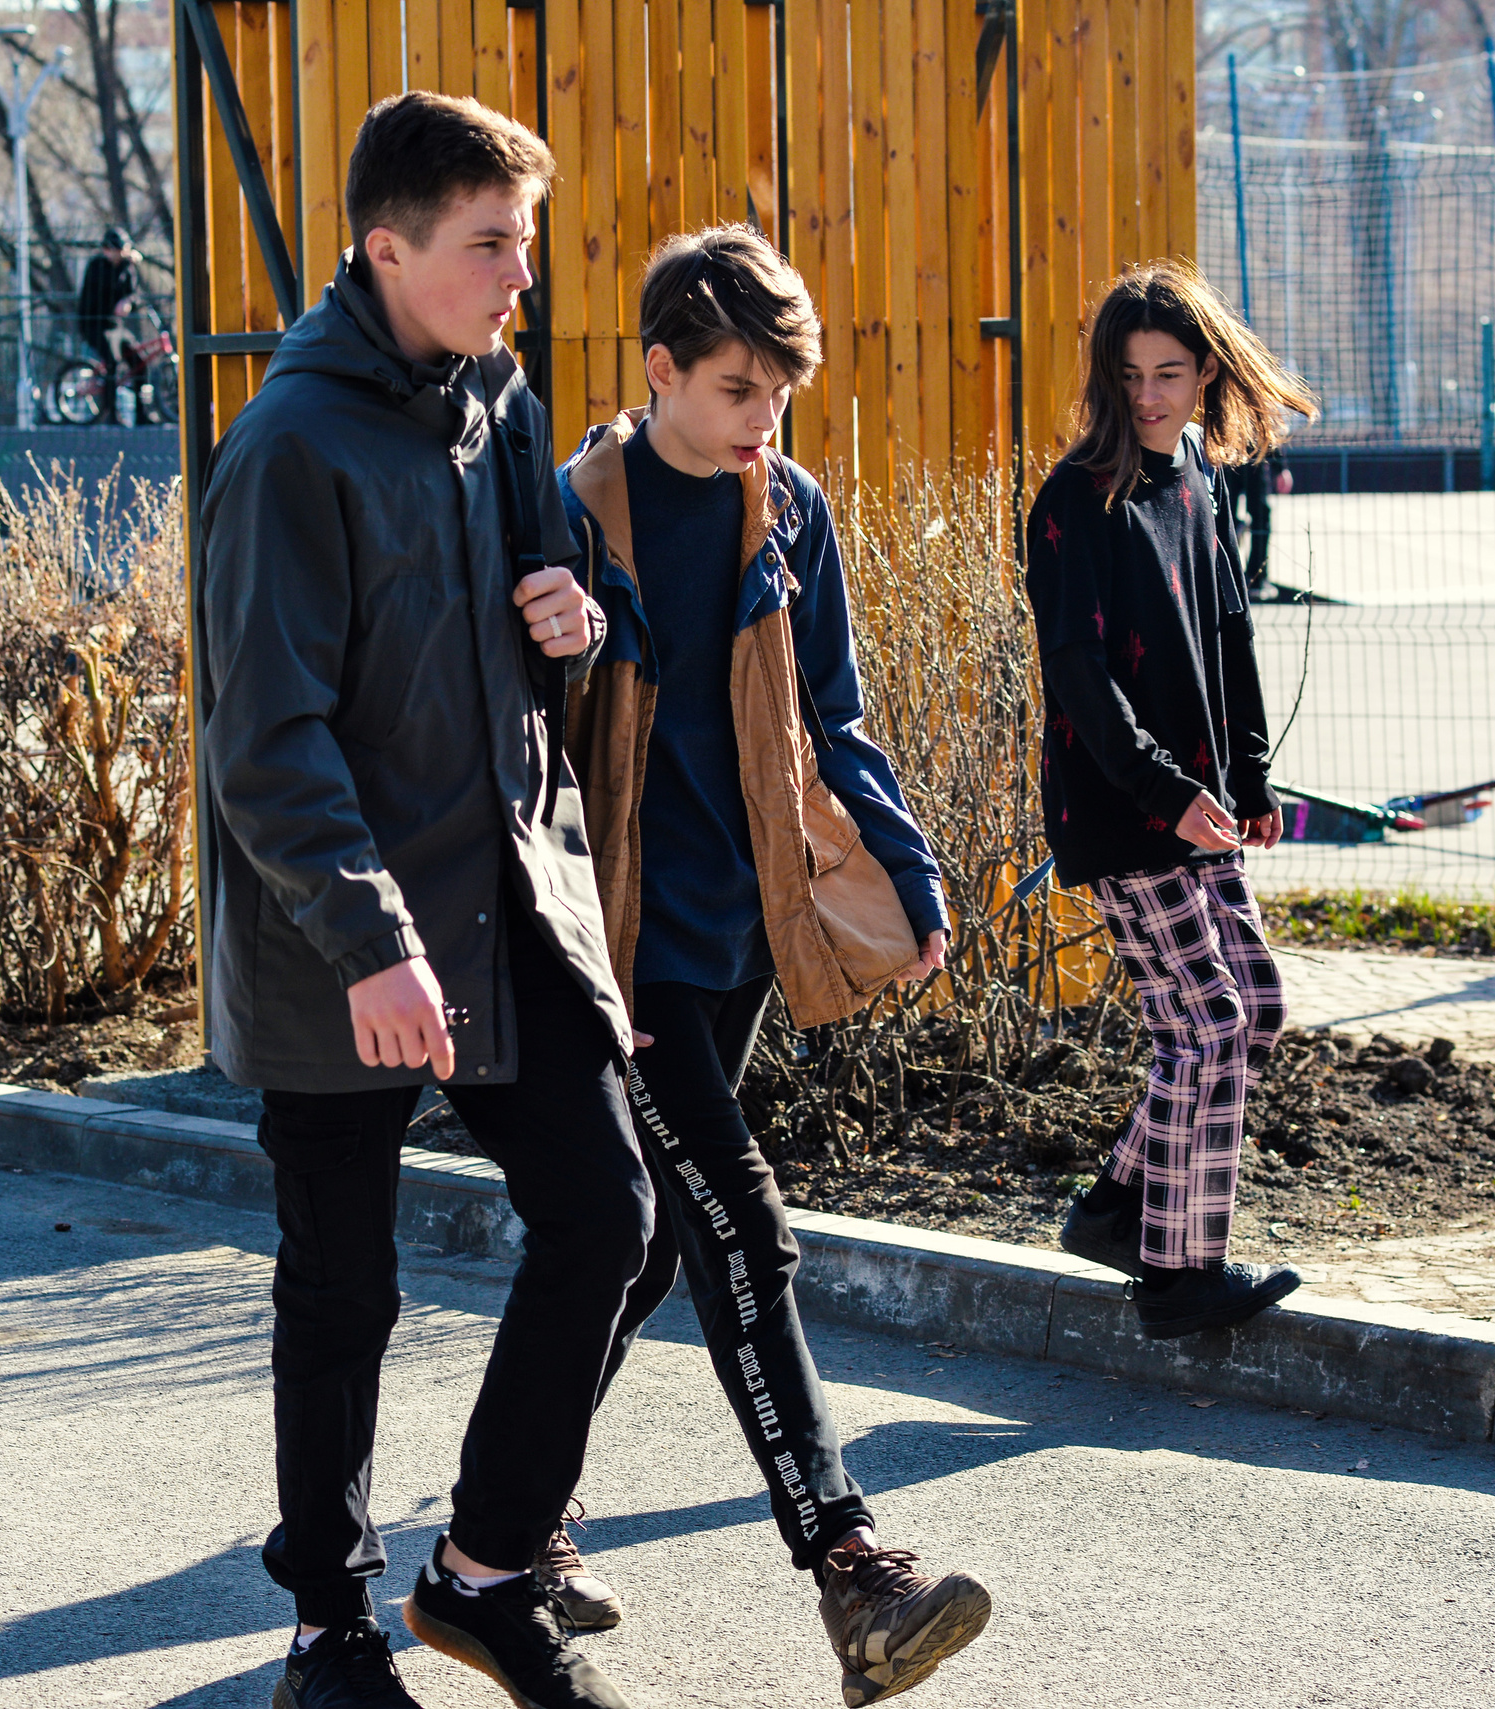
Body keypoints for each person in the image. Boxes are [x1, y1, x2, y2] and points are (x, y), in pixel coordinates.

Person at [198, 91, 650, 1709]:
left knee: (612, 1214)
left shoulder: (499, 405)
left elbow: (560, 626)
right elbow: (265, 737)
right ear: (388, 249)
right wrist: (374, 940)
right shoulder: (288, 446)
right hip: (346, 943)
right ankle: (329, 1623)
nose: (521, 275)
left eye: (523, 241)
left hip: (512, 901)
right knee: (344, 1291)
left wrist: (577, 617)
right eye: (490, 246)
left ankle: (482, 1566)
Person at [552, 224, 994, 1708]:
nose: (763, 422)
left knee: (656, 1244)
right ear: (661, 369)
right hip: (616, 947)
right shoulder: (575, 515)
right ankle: (857, 1573)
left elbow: (836, 714)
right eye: (739, 389)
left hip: (745, 925)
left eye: (782, 396)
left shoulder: (786, 506)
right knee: (743, 1223)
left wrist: (910, 868)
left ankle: (514, 1516)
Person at [1029, 260, 1318, 1340]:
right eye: (1128, 373)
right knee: (1205, 1028)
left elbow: (1228, 629)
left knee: (1257, 1012)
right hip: (1121, 807)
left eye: (1168, 372)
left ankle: (1114, 1209)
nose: (1148, 395)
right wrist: (1165, 789)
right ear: (1106, 378)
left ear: (1202, 373)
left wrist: (1247, 776)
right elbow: (1080, 673)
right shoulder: (1075, 498)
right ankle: (1177, 1273)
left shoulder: (1194, 474)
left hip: (1197, 802)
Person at [74, 227, 147, 422]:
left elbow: (133, 294)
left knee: (139, 362)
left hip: (115, 326)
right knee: (112, 362)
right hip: (94, 323)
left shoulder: (126, 267)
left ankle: (141, 414)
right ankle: (111, 413)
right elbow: (100, 293)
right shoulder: (97, 267)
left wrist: (128, 302)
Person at [1231, 447, 1289, 596]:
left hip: (1241, 457)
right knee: (1257, 518)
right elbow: (1269, 429)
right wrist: (1280, 467)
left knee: (1258, 517)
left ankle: (1254, 577)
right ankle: (1251, 578)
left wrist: (1280, 467)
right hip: (1240, 457)